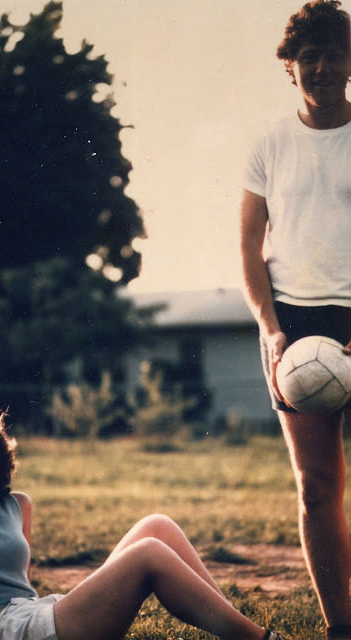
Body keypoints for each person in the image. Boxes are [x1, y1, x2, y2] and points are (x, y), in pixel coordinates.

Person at [0, 415, 288, 640]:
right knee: (149, 555)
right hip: (8, 632)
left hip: (36, 615)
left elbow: (19, 583)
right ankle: (259, 638)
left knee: (156, 526)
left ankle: (235, 628)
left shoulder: (17, 505)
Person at [239, 1, 351, 639]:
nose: (322, 67)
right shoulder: (268, 145)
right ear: (290, 66)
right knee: (316, 487)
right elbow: (251, 249)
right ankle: (341, 628)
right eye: (309, 56)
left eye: (334, 53)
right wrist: (270, 327)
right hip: (295, 328)